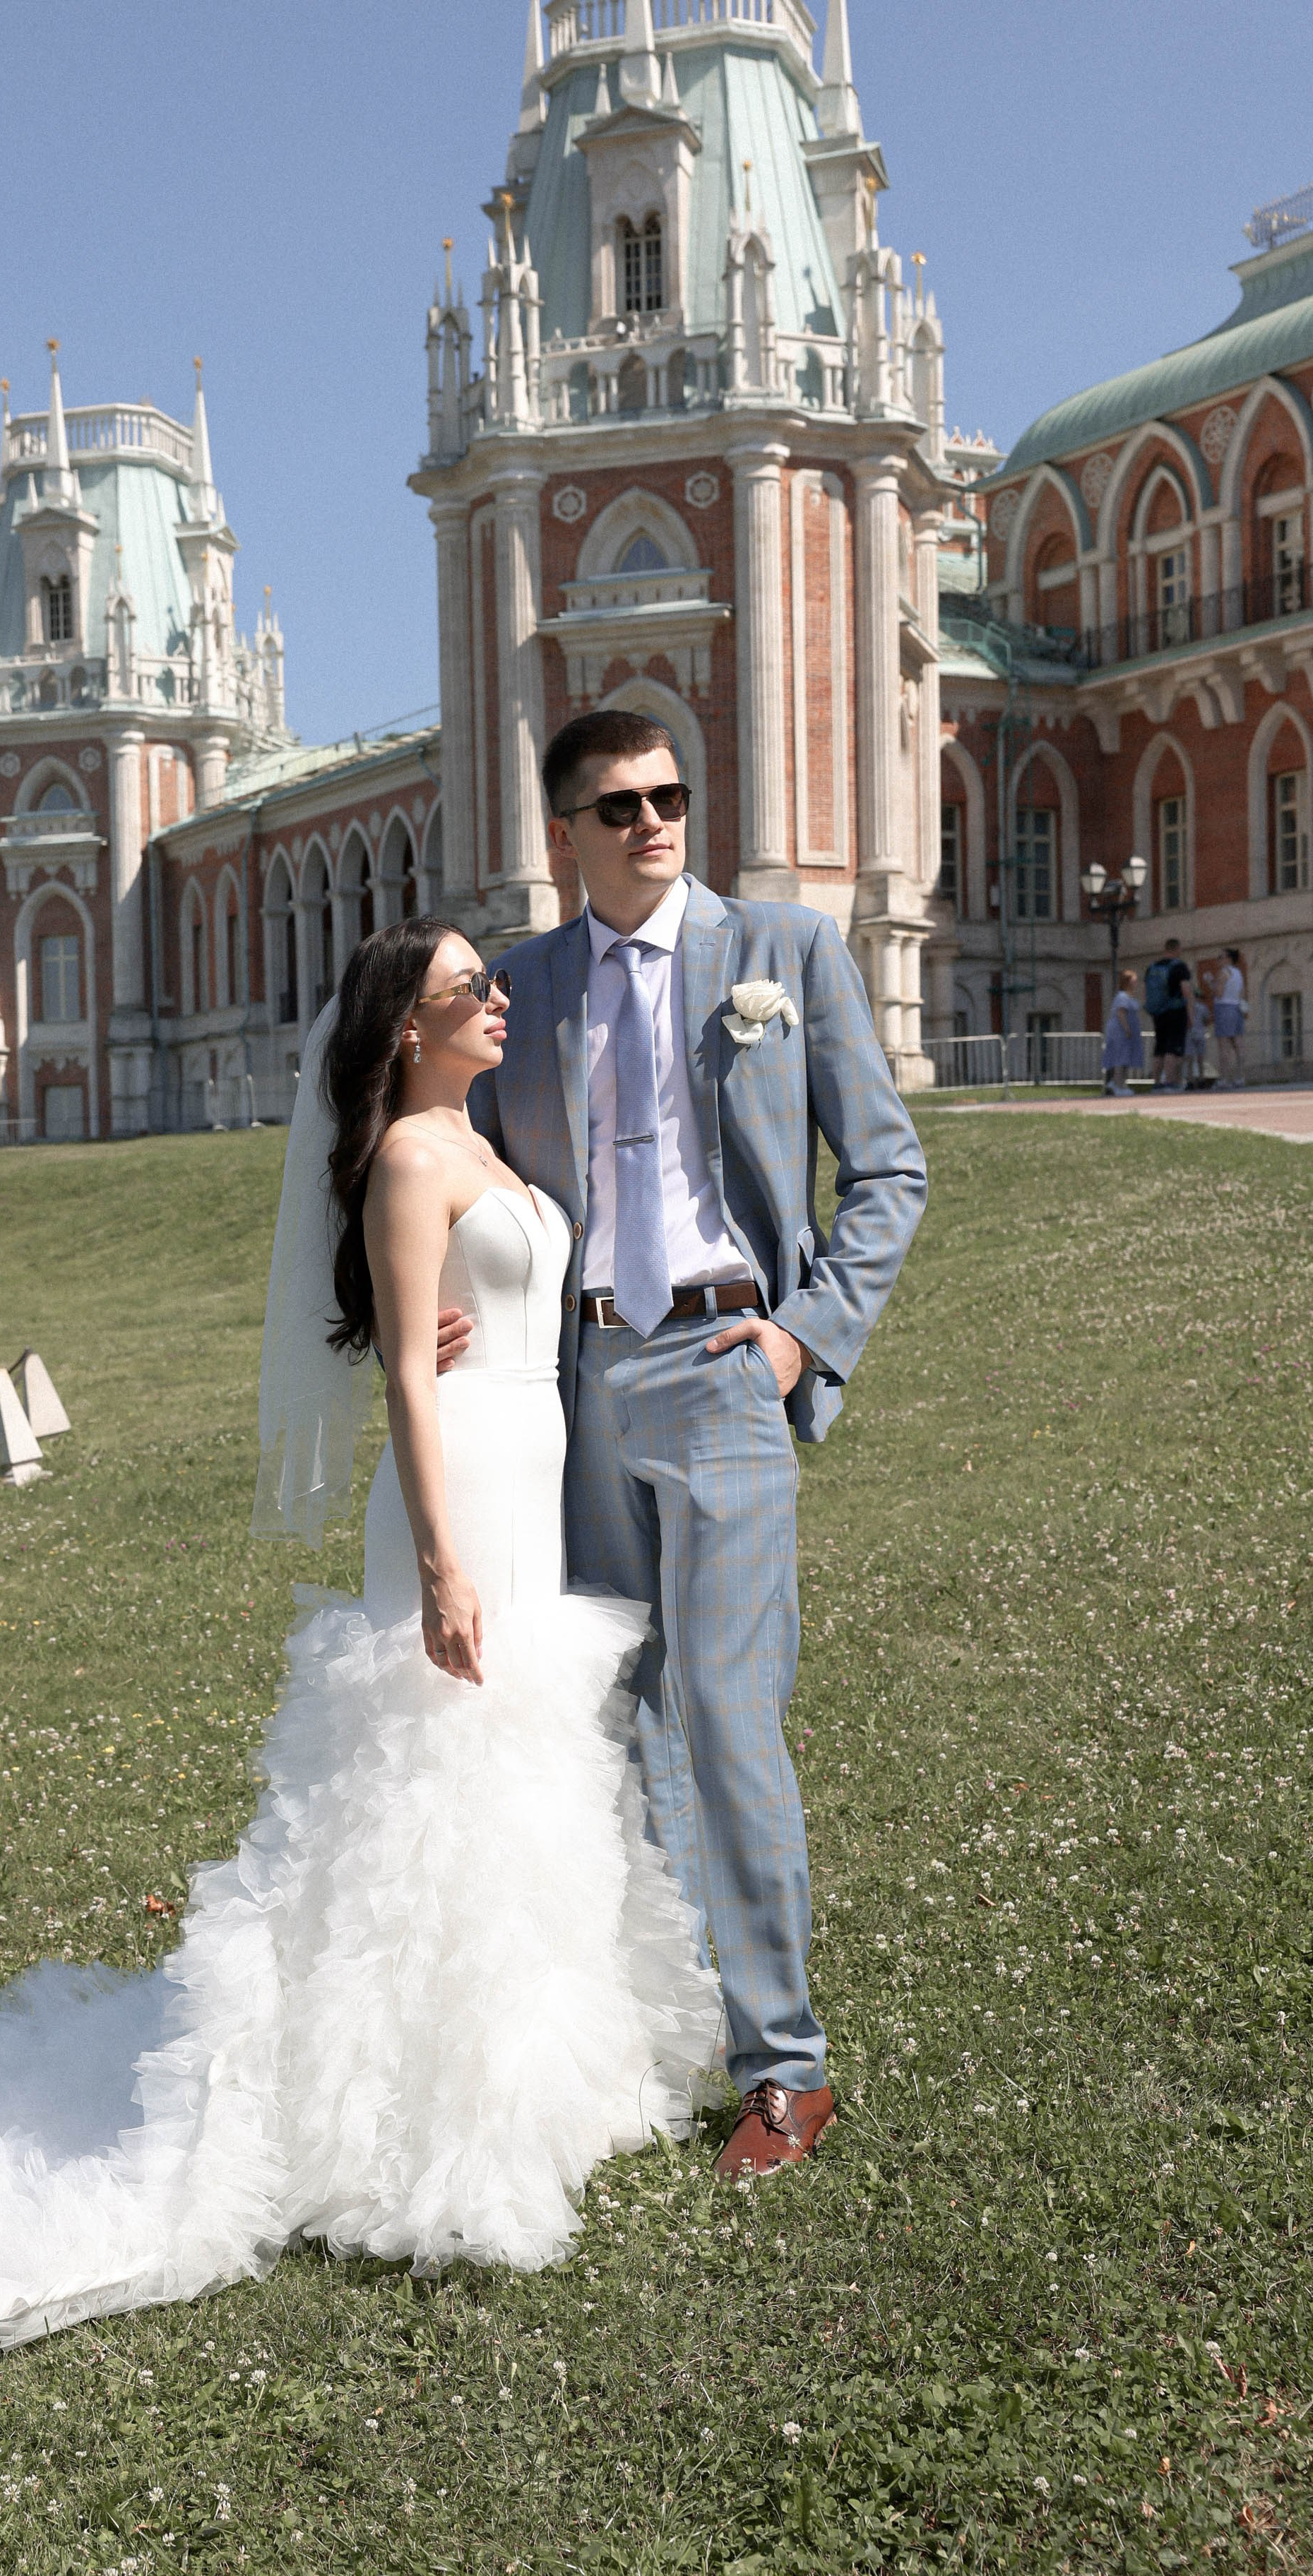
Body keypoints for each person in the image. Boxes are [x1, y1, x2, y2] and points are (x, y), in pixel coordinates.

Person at [0, 920, 723, 2353]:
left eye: (493, 983)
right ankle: (411, 2103)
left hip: (530, 1459)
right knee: (438, 1757)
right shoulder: (411, 1157)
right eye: (472, 990)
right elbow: (407, 1371)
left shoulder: (483, 1142)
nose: (499, 1002)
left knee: (524, 1759)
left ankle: (546, 2067)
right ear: (406, 1029)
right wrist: (445, 1558)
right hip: (459, 1487)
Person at [463, 709, 926, 2183]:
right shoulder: (517, 991)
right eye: (619, 806)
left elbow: (888, 1167)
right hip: (579, 1382)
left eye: (670, 795)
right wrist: (447, 1310)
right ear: (563, 838)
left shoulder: (785, 953)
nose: (654, 821)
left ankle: (787, 2070)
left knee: (726, 1719)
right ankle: (665, 2033)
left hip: (730, 1366)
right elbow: (439, 1157)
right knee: (621, 1717)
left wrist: (805, 1332)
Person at [1145, 937, 1194, 1089]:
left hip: (1158, 1012)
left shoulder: (1152, 967)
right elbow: (1186, 990)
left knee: (1159, 1047)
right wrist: (1191, 1014)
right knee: (1172, 1048)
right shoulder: (1179, 967)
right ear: (1177, 949)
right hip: (1176, 1011)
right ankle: (1170, 1082)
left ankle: (1157, 1082)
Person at [1102, 969, 1145, 1097]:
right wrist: (1127, 1029)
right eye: (1133, 980)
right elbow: (1121, 1013)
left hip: (1128, 1033)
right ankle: (1117, 1084)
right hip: (1121, 1032)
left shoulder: (1130, 997)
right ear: (1127, 981)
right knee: (1121, 1058)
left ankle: (1120, 1083)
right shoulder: (1122, 997)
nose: (1135, 983)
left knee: (1126, 1059)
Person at [1213, 948, 1248, 1089]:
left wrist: (1212, 984)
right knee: (1239, 1045)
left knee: (1224, 1046)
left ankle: (1225, 1079)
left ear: (1228, 958)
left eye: (1220, 957)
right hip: (1237, 1008)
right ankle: (1241, 1077)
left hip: (1224, 1008)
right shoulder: (1238, 973)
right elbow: (1242, 993)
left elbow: (1219, 994)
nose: (1218, 960)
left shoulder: (1223, 973)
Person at [1183, 988, 1213, 1088]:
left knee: (1190, 1058)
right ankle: (1201, 1079)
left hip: (1189, 1033)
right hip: (1199, 1033)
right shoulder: (1203, 1007)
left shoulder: (1187, 1007)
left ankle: (1191, 1080)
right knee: (1200, 1058)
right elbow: (1207, 1020)